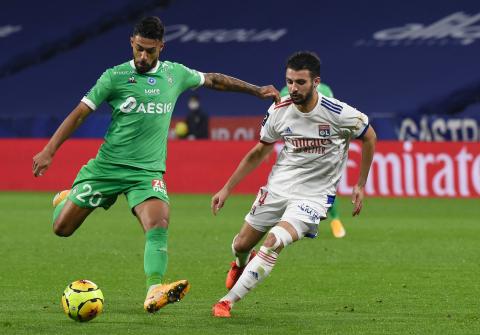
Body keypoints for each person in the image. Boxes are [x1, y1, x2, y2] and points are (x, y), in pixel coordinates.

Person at [32, 16, 279, 314]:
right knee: (62, 229)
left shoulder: (175, 74)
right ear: (132, 43)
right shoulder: (114, 76)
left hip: (147, 173)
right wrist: (49, 150)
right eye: (139, 49)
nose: (144, 56)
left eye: (150, 50)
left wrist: (256, 90)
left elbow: (213, 79)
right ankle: (66, 199)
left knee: (158, 223)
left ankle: (153, 289)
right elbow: (79, 114)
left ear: (162, 46)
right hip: (107, 168)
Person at [210, 51, 376, 318]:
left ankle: (227, 302)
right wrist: (227, 188)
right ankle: (240, 265)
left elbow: (369, 136)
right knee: (241, 245)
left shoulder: (338, 112)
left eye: (300, 82)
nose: (293, 88)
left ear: (315, 82)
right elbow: (259, 152)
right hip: (278, 188)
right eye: (289, 81)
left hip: (313, 196)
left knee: (274, 241)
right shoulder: (279, 111)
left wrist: (361, 184)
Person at [280, 83, 346, 238]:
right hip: (297, 147)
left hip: (322, 145)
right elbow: (280, 118)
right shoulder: (285, 91)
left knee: (325, 184)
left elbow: (332, 116)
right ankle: (295, 220)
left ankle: (335, 220)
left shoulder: (325, 90)